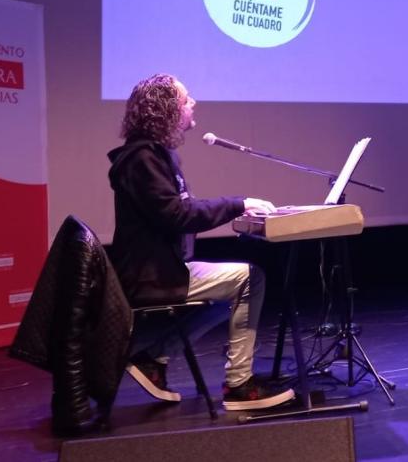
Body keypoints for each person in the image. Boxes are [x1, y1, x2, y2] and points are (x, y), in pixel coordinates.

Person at [107, 73, 294, 411]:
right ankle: (239, 385)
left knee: (225, 299)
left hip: (161, 268)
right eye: (186, 99)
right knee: (251, 279)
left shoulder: (155, 155)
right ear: (166, 110)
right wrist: (238, 204)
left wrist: (236, 208)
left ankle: (153, 360)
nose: (193, 103)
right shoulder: (142, 159)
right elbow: (177, 215)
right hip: (150, 275)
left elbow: (180, 211)